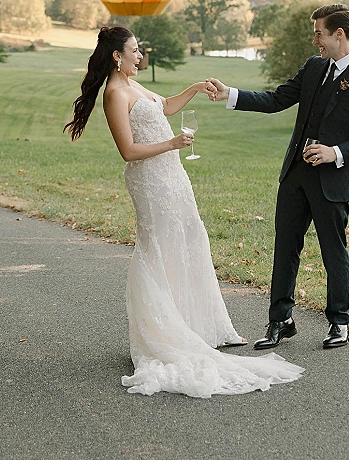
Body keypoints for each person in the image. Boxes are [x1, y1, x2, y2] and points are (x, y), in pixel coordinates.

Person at [64, 26, 303, 398]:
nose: (140, 56)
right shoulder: (115, 93)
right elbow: (128, 150)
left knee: (191, 242)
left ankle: (206, 328)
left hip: (173, 176)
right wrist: (173, 142)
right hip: (150, 181)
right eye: (135, 50)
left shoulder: (136, 85)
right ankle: (164, 332)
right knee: (158, 249)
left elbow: (167, 106)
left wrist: (192, 89)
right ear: (117, 55)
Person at [207, 4, 349, 351]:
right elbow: (276, 99)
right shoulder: (313, 68)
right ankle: (280, 321)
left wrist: (334, 152)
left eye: (319, 32)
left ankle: (339, 322)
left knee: (333, 251)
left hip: (332, 180)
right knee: (285, 247)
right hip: (295, 174)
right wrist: (229, 94)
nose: (314, 39)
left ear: (339, 34)